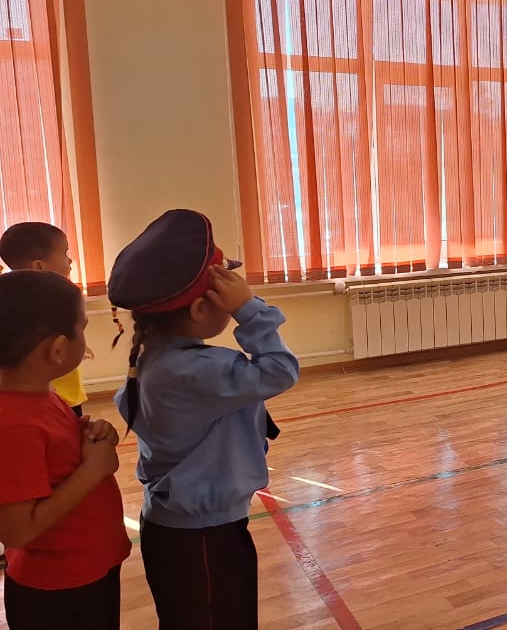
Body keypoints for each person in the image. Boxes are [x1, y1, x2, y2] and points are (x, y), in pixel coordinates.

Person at [108, 209, 299, 629]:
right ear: (199, 309)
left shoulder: (155, 359)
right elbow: (280, 370)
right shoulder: (197, 370)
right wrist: (250, 311)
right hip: (203, 537)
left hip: (180, 525)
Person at [0, 270, 131, 630]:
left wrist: (90, 433)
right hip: (58, 589)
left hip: (85, 569)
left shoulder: (41, 393)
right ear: (57, 349)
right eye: (82, 327)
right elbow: (16, 531)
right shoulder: (12, 422)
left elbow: (56, 456)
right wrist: (94, 469)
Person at [0, 222, 90, 417]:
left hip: (59, 395)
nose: (70, 260)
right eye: (65, 254)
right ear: (39, 266)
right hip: (52, 395)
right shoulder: (34, 306)